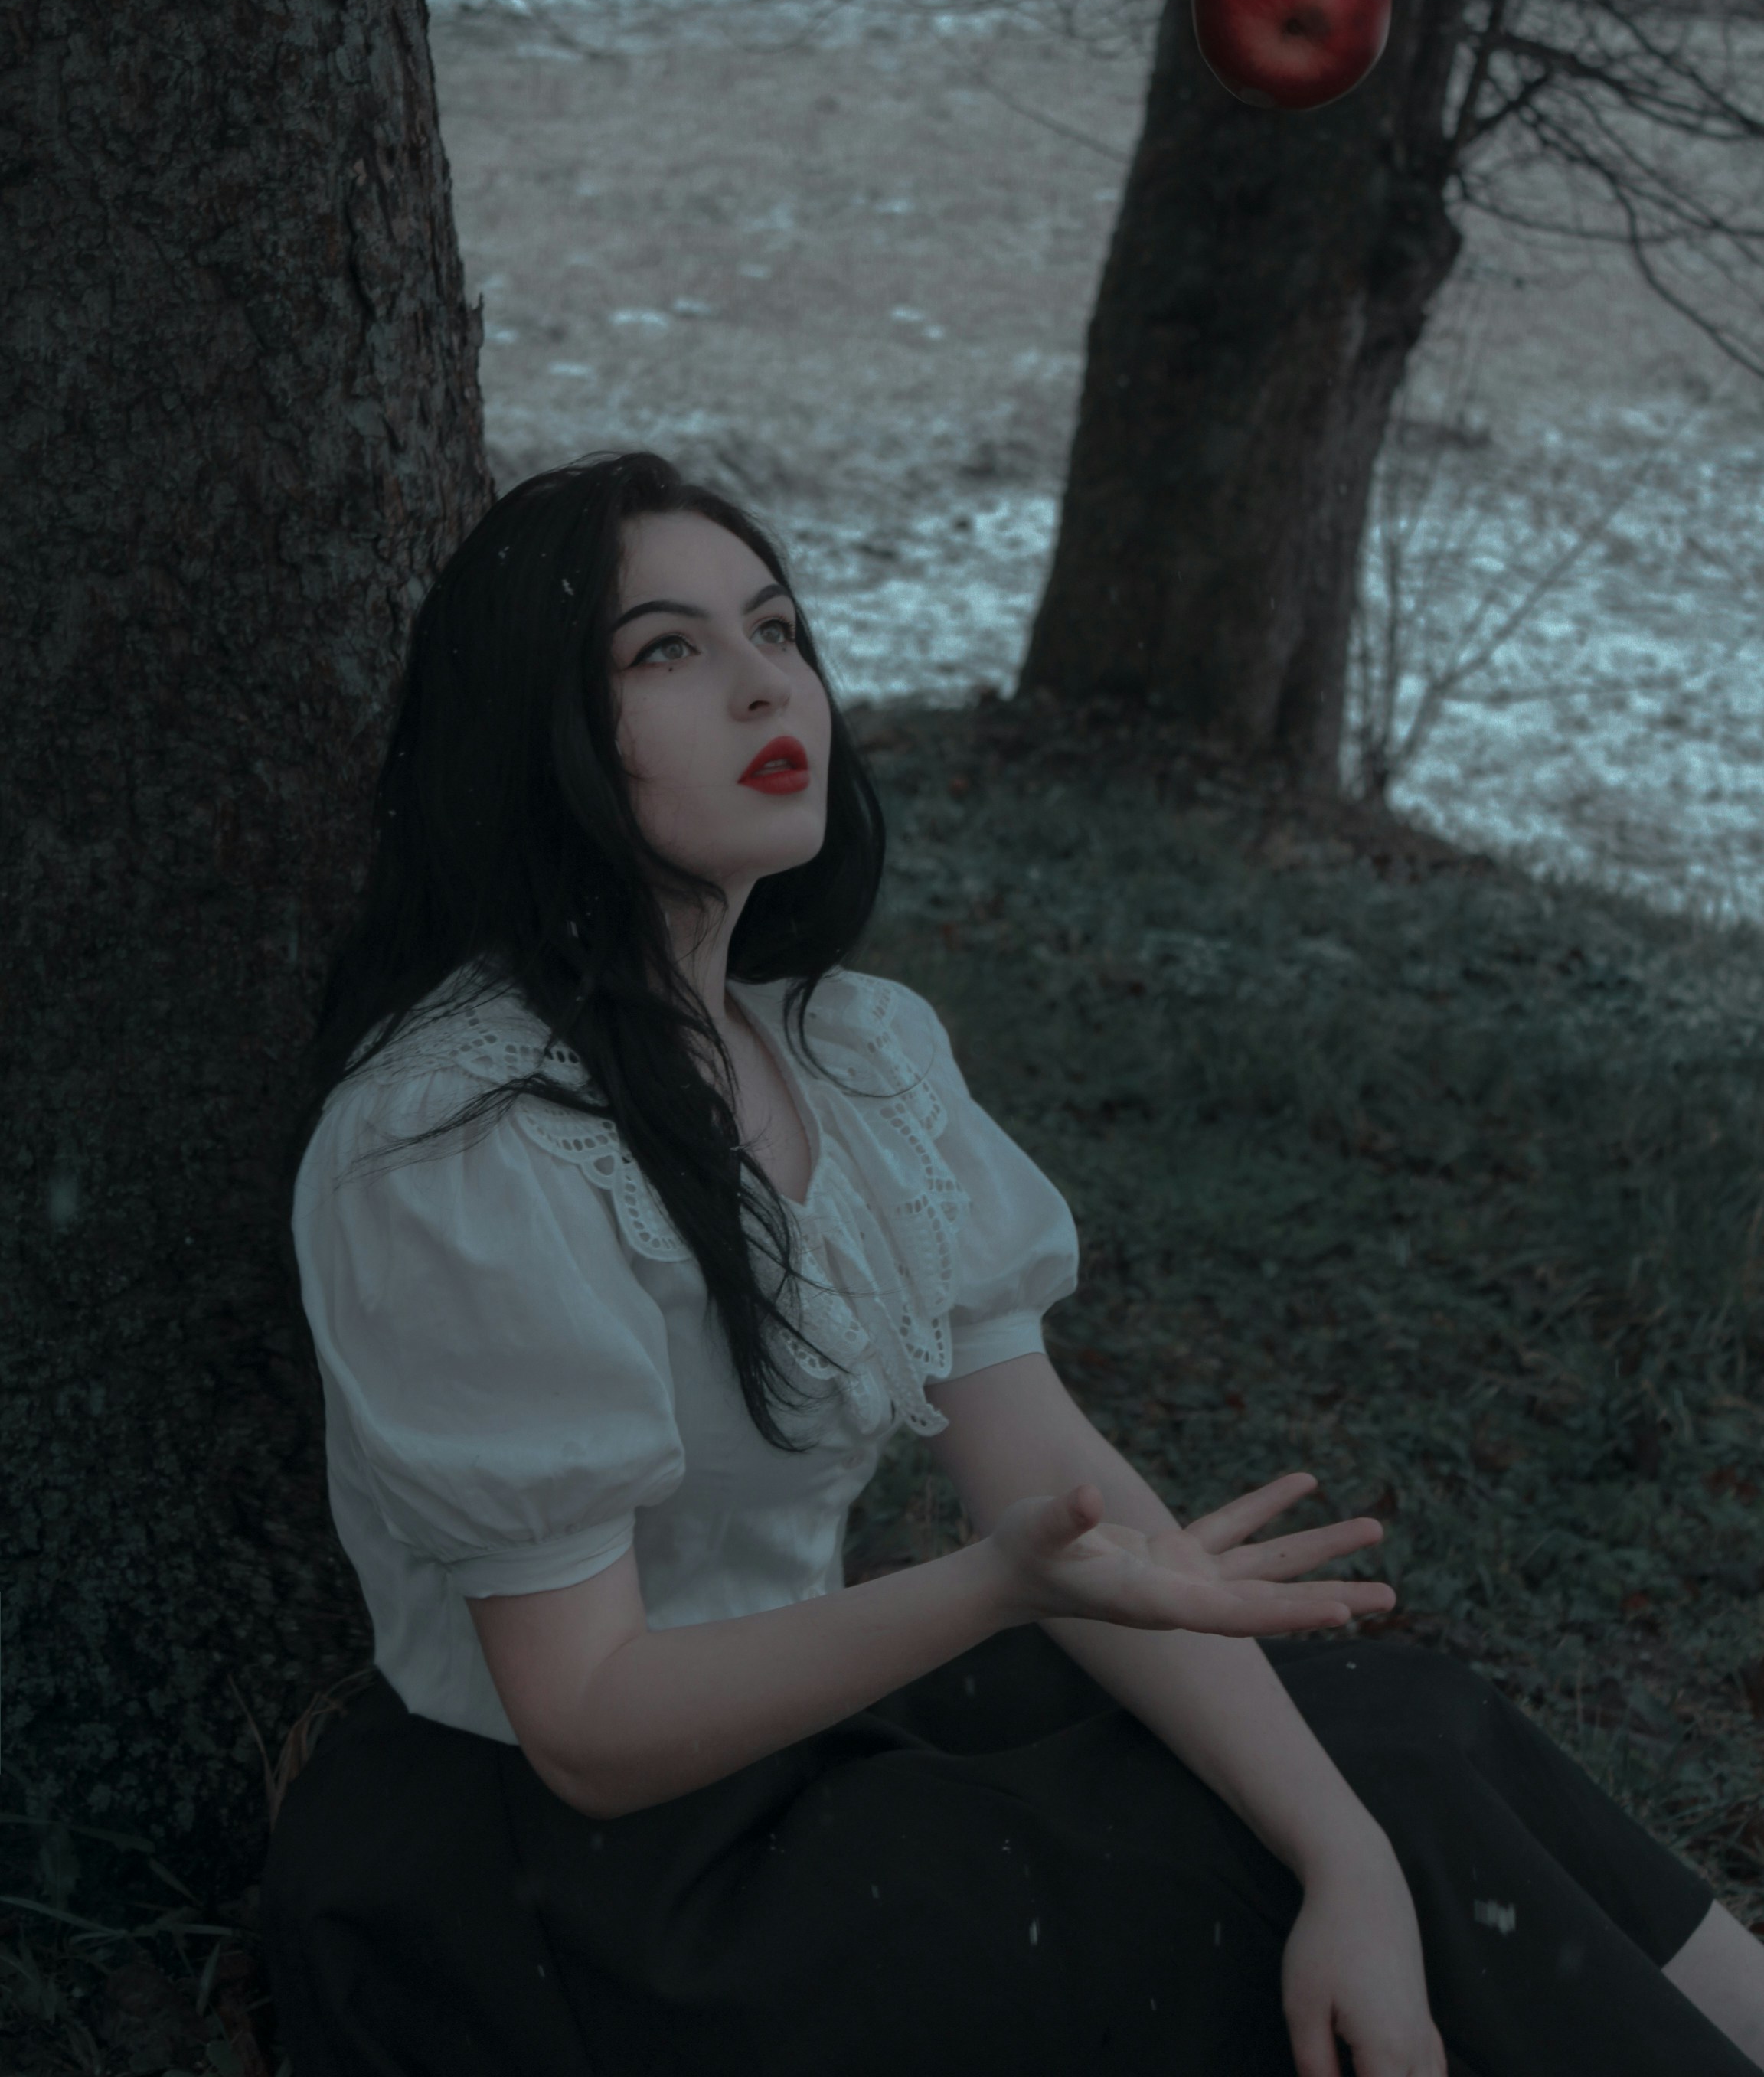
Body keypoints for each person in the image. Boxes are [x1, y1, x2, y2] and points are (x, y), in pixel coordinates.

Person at [264, 450, 1764, 2077]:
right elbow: (589, 1731)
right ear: (539, 729)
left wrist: (1351, 1863)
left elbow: (1042, 1469)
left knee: (1409, 1748)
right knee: (1235, 1885)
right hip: (582, 1906)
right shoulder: (460, 1141)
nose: (769, 681)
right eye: (668, 652)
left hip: (805, 1748)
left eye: (778, 629)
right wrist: (997, 1588)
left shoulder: (849, 1053)